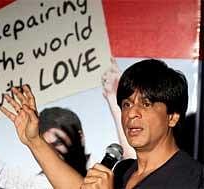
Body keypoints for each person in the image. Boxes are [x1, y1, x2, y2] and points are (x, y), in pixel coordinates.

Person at [80, 59, 204, 189]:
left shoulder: (194, 180)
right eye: (126, 105)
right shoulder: (122, 171)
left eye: (146, 104)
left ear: (172, 117)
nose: (131, 113)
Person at [0, 69, 88, 188]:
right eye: (46, 145)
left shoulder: (104, 171)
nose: (52, 152)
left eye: (59, 142)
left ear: (80, 137)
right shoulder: (37, 184)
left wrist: (110, 95)